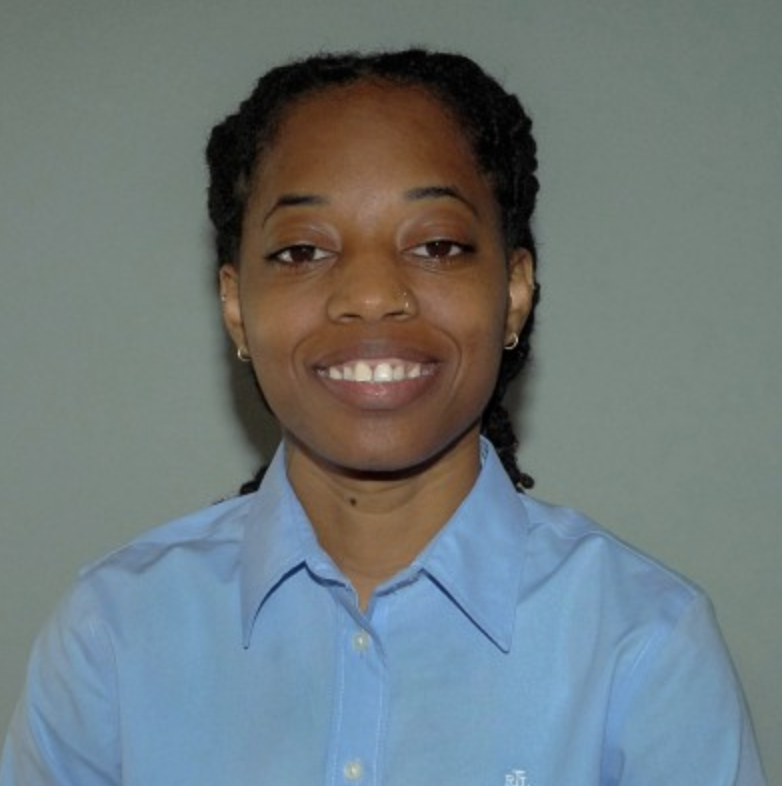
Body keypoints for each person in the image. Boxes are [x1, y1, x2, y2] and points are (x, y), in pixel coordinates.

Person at [0, 49, 767, 785]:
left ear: (516, 292)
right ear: (235, 306)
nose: (370, 295)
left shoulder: (643, 643)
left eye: (437, 244)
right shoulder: (114, 634)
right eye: (302, 252)